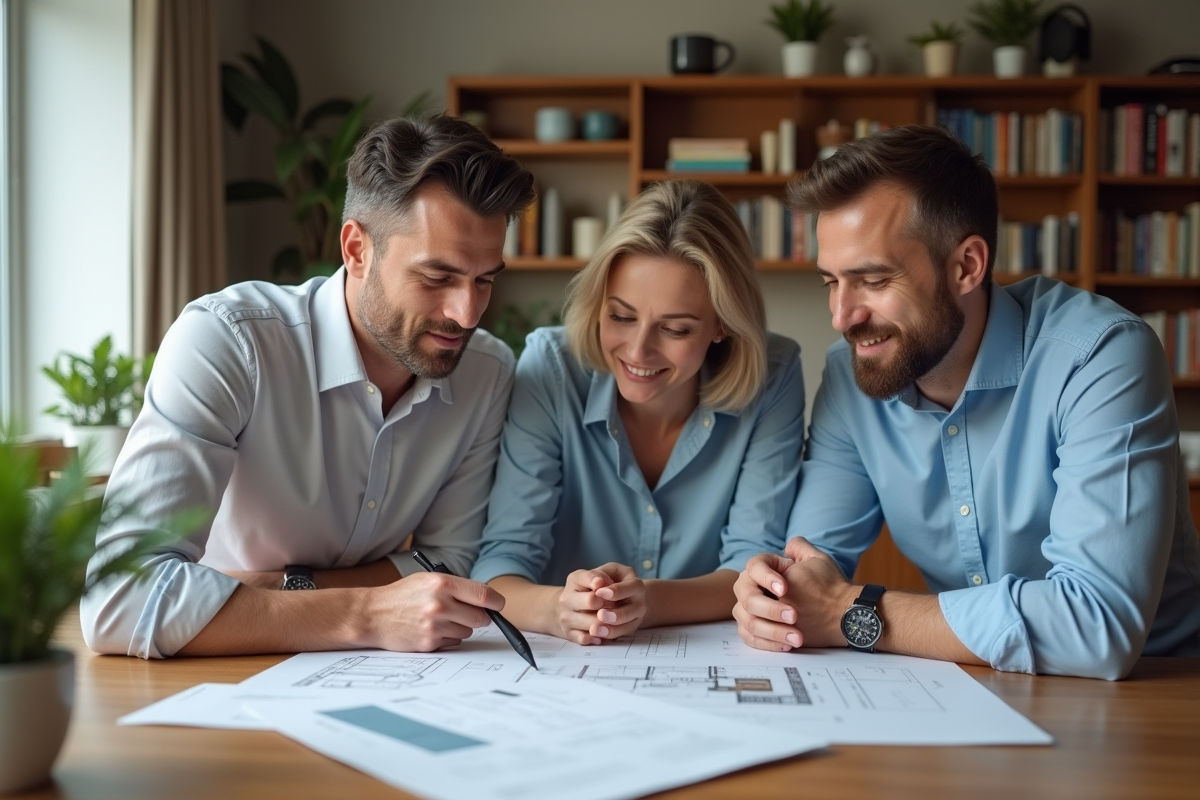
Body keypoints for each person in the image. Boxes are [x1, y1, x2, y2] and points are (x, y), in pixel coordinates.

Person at [734, 125, 1200, 680]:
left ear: (967, 266)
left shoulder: (1100, 356)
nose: (842, 317)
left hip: (1157, 690)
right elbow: (809, 572)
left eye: (874, 280)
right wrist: (772, 597)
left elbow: (1095, 626)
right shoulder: (850, 374)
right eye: (831, 282)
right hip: (972, 683)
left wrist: (849, 612)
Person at [81, 114, 535, 658]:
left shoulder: (487, 372)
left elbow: (443, 565)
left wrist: (274, 587)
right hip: (211, 674)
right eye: (436, 278)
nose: (466, 314)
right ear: (357, 250)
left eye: (484, 280)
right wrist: (366, 612)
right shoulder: (227, 342)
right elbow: (120, 597)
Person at [471, 180, 805, 644]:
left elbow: (752, 566)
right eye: (621, 317)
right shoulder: (551, 368)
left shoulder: (774, 375)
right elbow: (501, 564)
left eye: (675, 328)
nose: (638, 351)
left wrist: (648, 602)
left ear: (721, 325)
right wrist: (557, 609)